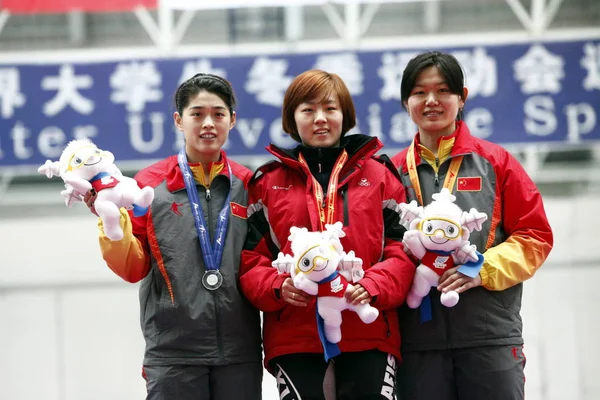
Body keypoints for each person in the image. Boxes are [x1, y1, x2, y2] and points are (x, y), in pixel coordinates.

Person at [84, 73, 263, 400]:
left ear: (232, 120)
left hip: (240, 352)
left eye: (218, 114)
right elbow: (133, 268)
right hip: (173, 353)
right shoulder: (149, 184)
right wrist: (110, 221)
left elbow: (262, 262)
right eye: (197, 114)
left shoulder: (249, 185)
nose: (208, 123)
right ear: (179, 120)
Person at [240, 69, 415, 400]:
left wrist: (374, 285)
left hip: (369, 329)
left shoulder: (380, 176)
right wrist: (278, 287)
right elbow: (251, 261)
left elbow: (402, 251)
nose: (320, 119)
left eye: (330, 109)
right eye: (308, 110)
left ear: (345, 115)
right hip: (295, 335)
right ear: (292, 118)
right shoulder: (267, 183)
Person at [391, 51, 554, 399]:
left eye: (443, 90)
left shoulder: (497, 163)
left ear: (461, 98)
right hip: (416, 340)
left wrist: (481, 269)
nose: (431, 101)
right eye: (420, 92)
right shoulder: (388, 174)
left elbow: (535, 237)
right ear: (406, 101)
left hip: (489, 336)